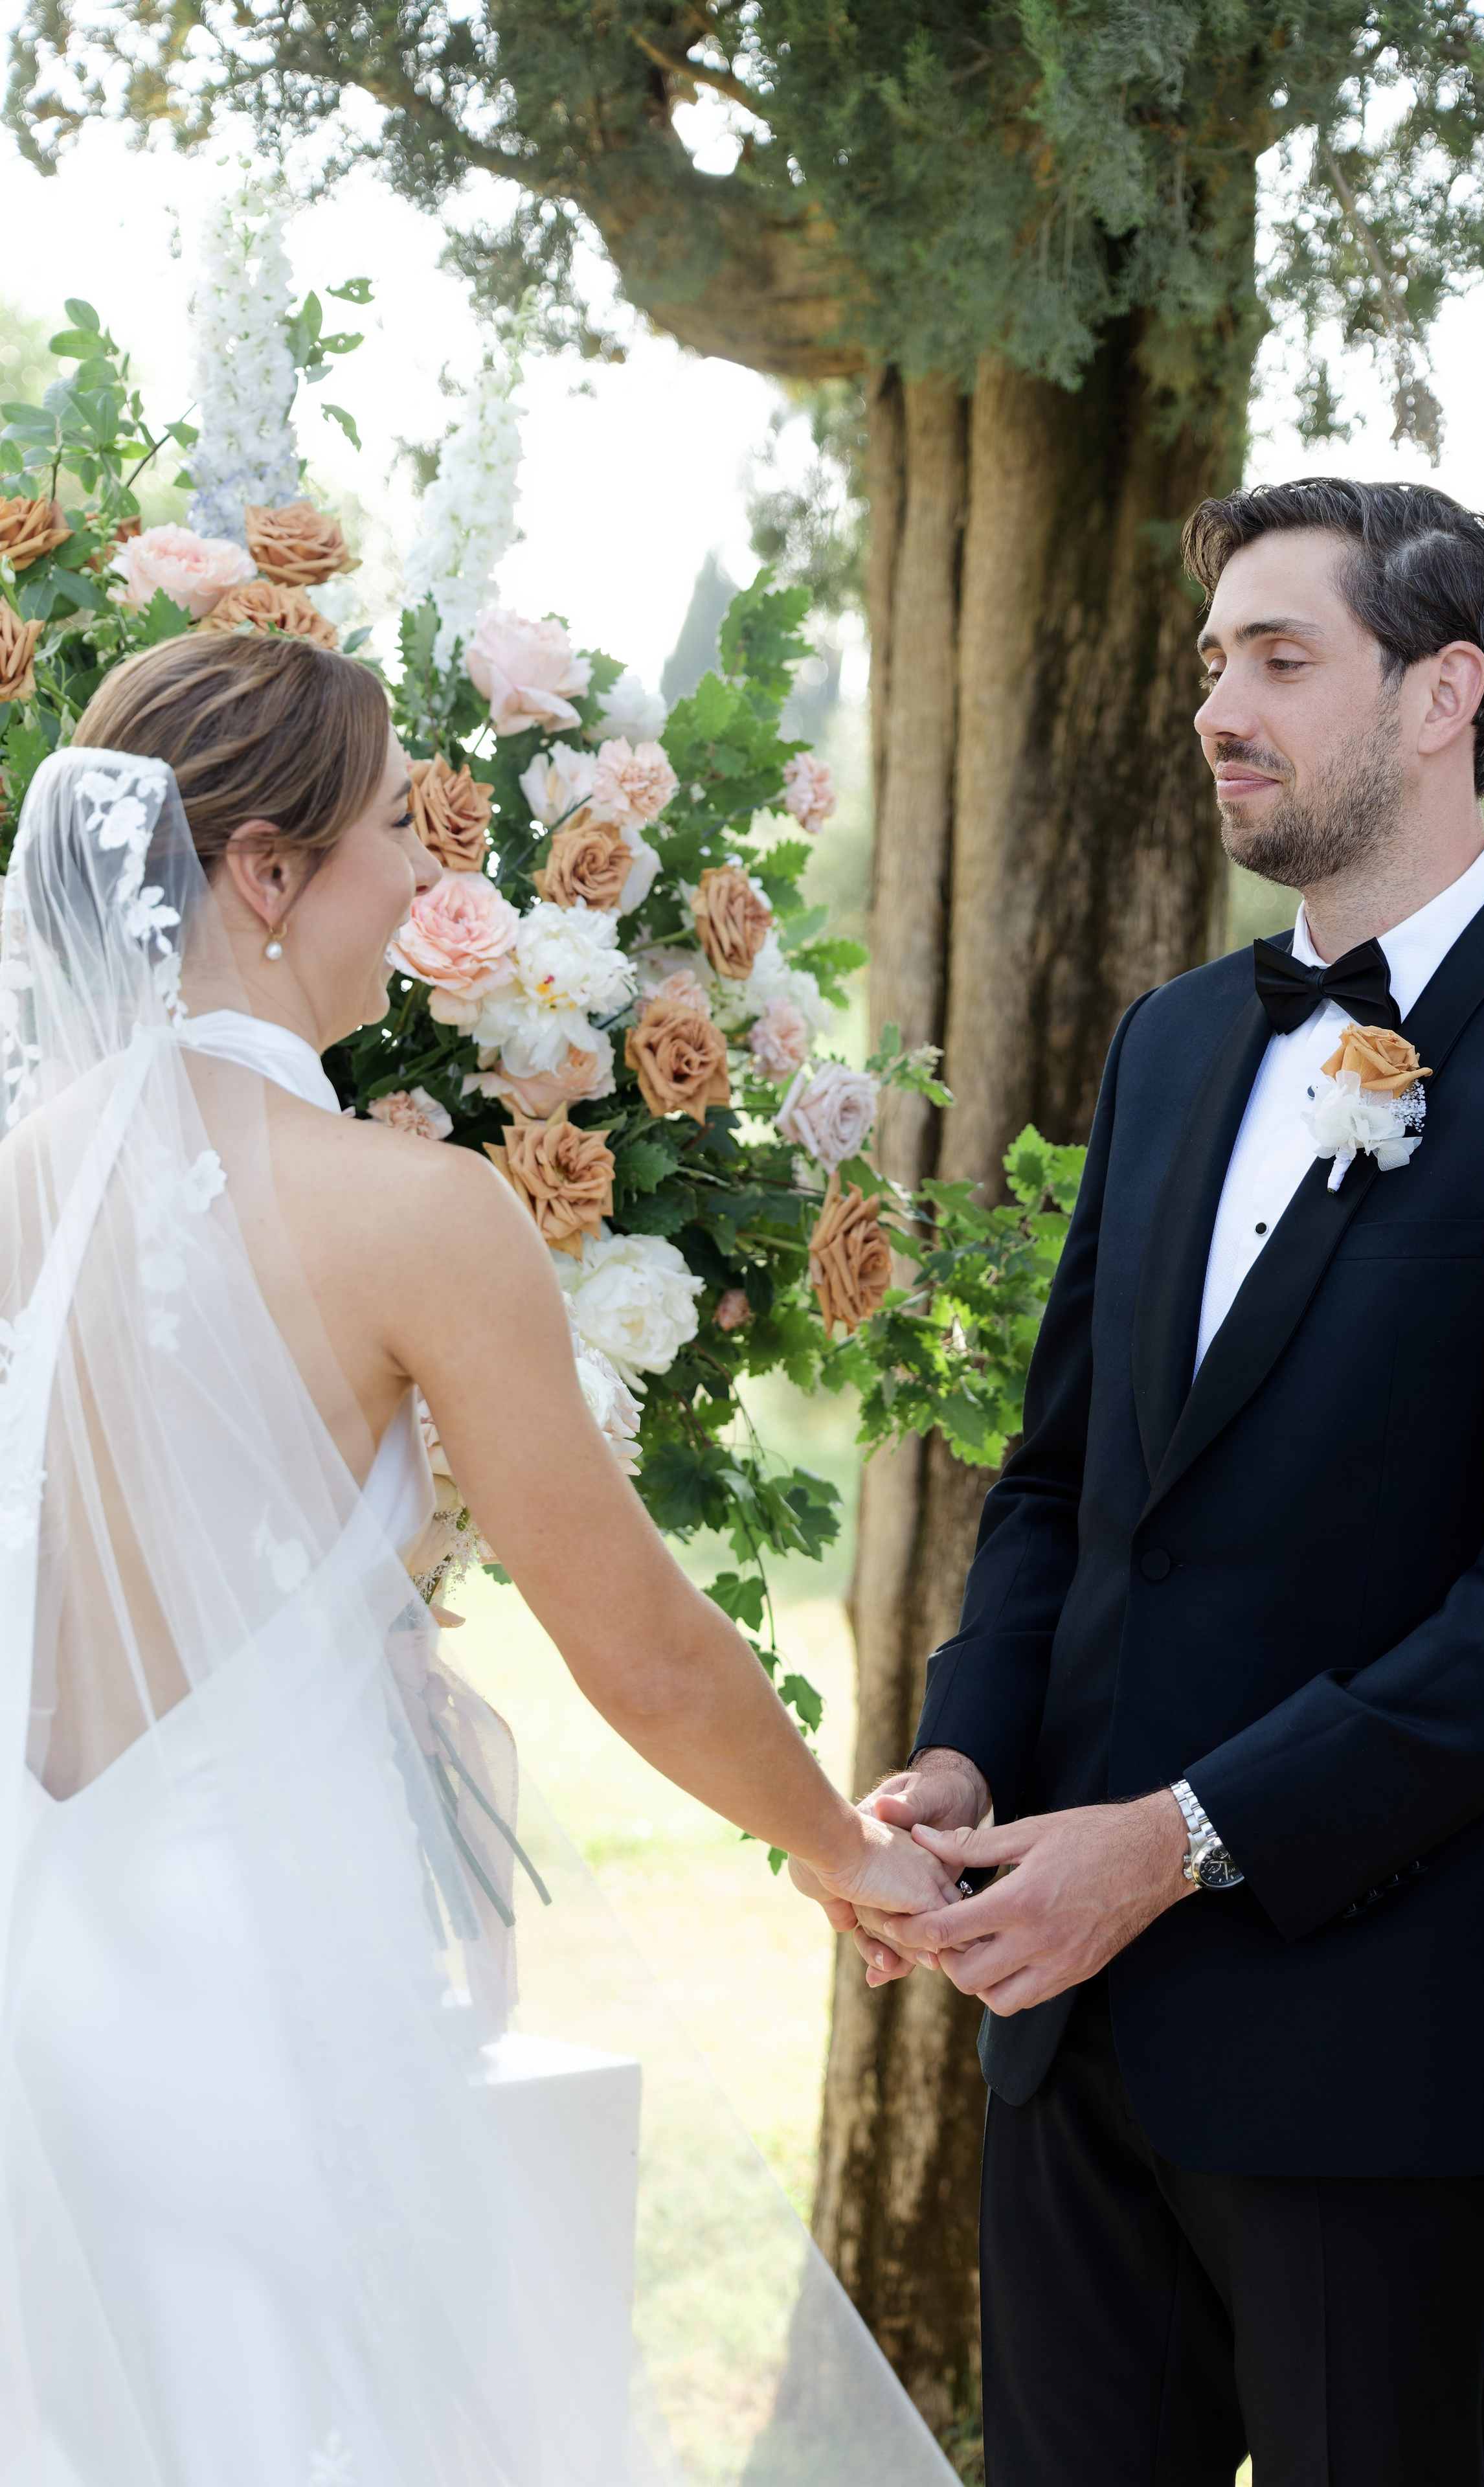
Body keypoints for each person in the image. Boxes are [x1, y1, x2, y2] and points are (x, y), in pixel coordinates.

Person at [0, 630, 959, 2486]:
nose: (434, 883)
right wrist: (848, 1855)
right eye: (391, 834)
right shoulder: (413, 1212)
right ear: (266, 876)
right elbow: (646, 1652)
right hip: (268, 1985)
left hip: (53, 1970)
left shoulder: (14, 1178)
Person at [798, 478, 1484, 2484]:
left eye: (1283, 657)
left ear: (1447, 693)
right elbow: (1063, 1483)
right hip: (1071, 2045)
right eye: (1211, 663)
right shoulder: (1175, 1043)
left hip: (1387, 2040)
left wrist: (1181, 1841)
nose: (1217, 705)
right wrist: (966, 1763)